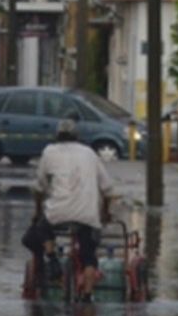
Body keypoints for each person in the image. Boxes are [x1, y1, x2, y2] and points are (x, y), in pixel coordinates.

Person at [32, 119, 116, 303]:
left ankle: (53, 259)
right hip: (87, 214)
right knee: (88, 255)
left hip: (57, 212)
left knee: (42, 228)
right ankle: (87, 295)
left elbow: (39, 187)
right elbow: (108, 189)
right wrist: (106, 213)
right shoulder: (89, 154)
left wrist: (38, 211)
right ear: (77, 137)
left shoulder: (49, 152)